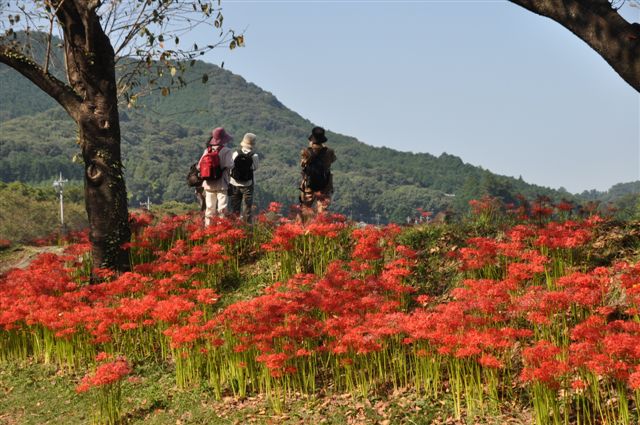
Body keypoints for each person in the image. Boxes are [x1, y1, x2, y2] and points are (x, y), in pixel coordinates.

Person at [198, 127, 234, 226]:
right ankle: (221, 228)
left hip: (208, 184)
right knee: (222, 208)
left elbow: (199, 166)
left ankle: (208, 228)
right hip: (222, 183)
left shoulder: (207, 150)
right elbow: (230, 165)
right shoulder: (226, 151)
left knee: (209, 208)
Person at [299, 126, 336, 217]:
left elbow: (302, 165)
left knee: (305, 210)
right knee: (322, 212)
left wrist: (310, 147)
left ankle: (304, 225)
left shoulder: (306, 152)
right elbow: (333, 160)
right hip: (325, 186)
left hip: (309, 185)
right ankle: (322, 224)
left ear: (312, 138)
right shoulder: (329, 152)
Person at [229, 133, 259, 222]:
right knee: (247, 208)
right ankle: (247, 226)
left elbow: (231, 166)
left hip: (234, 183)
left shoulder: (236, 153)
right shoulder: (254, 155)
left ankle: (234, 225)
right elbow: (255, 167)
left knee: (235, 207)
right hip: (248, 184)